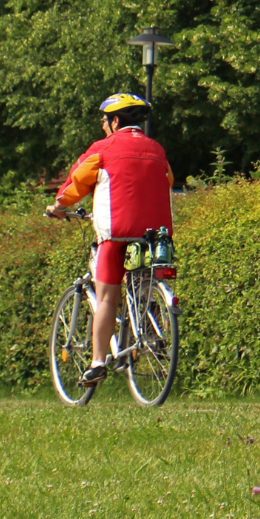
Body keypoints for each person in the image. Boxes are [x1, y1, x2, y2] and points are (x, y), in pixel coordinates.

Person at [46, 94, 174, 387]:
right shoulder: (157, 149)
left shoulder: (103, 149)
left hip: (115, 232)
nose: (104, 126)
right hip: (156, 234)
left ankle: (97, 363)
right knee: (141, 279)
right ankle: (150, 321)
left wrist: (58, 206)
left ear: (115, 121)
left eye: (105, 121)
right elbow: (167, 180)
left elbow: (76, 183)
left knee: (106, 297)